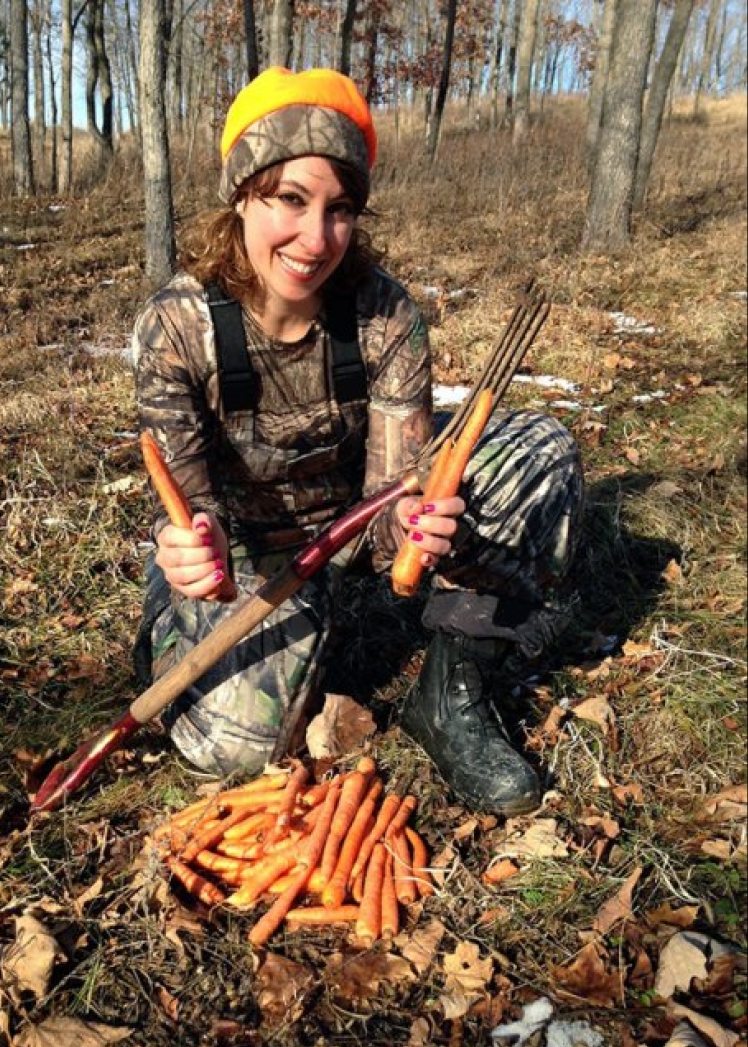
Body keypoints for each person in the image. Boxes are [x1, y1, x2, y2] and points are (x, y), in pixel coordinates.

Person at [132, 67, 585, 817]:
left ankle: (451, 691)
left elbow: (391, 497)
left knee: (533, 453)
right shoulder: (176, 327)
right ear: (242, 193)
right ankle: (168, 625)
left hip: (347, 527)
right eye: (290, 200)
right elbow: (189, 506)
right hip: (250, 551)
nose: (316, 239)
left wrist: (410, 525)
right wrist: (187, 552)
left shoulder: (383, 314)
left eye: (339, 209)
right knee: (231, 749)